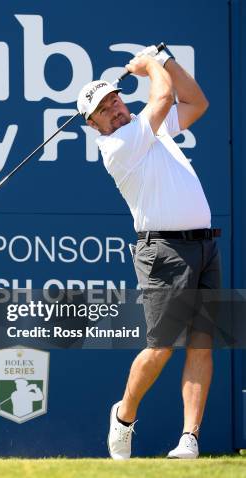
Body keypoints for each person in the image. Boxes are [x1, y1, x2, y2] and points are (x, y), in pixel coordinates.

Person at [76, 46, 220, 460]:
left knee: (202, 343)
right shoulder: (119, 146)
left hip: (206, 245)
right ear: (94, 125)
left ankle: (189, 439)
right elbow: (160, 97)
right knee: (160, 346)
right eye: (104, 109)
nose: (115, 109)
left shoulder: (147, 128)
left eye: (115, 99)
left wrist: (168, 59)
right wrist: (149, 65)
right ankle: (123, 416)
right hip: (164, 250)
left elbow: (196, 101)